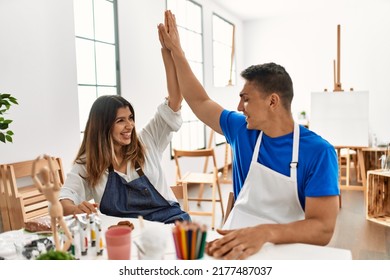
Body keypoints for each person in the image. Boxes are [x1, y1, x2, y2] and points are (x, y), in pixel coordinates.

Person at [158, 10, 339, 259]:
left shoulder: (318, 152)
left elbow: (322, 229)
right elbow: (200, 101)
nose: (239, 108)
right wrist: (176, 51)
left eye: (246, 99)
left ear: (272, 101)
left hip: (287, 252)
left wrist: (264, 233)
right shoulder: (242, 130)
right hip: (233, 245)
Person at [59, 32, 190, 224]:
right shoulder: (89, 164)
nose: (130, 125)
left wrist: (168, 52)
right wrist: (74, 208)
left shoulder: (148, 140)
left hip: (169, 225)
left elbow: (175, 100)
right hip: (124, 234)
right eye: (120, 121)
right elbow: (66, 196)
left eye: (130, 118)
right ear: (102, 127)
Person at [32, 155, 72, 252]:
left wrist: (35, 163)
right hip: (57, 208)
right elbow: (54, 173)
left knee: (54, 233)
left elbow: (33, 176)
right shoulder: (55, 187)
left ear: (41, 177)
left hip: (50, 209)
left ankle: (59, 250)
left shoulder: (43, 188)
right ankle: (61, 252)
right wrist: (49, 160)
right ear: (49, 175)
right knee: (68, 236)